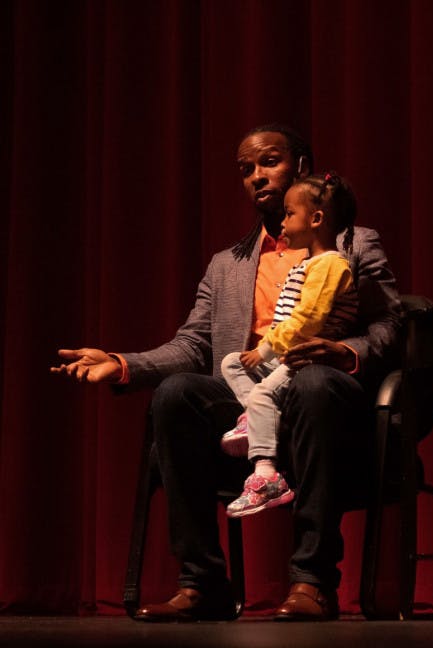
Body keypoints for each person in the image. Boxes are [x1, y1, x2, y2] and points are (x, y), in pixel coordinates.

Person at [51, 123, 402, 621]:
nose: (256, 176)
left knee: (312, 381)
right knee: (176, 395)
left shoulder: (355, 243)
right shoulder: (226, 264)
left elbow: (390, 324)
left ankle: (313, 581)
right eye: (245, 170)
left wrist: (344, 353)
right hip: (248, 393)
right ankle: (203, 582)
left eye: (269, 162)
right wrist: (125, 364)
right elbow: (195, 345)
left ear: (301, 167)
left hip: (323, 396)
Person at [220, 171, 360, 519]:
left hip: (307, 359)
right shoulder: (309, 263)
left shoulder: (331, 264)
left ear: (316, 219)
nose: (282, 222)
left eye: (289, 214)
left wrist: (265, 350)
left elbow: (307, 320)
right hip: (287, 352)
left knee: (265, 393)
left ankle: (266, 475)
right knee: (231, 363)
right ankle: (254, 416)